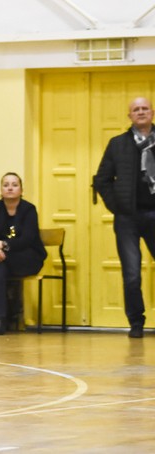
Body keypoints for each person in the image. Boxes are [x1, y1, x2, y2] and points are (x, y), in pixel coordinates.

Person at [95, 97, 155, 338]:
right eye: (135, 109)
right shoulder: (117, 144)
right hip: (127, 219)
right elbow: (102, 179)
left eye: (144, 108)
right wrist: (117, 206)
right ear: (129, 115)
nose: (140, 112)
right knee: (131, 275)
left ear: (152, 112)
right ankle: (136, 322)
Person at [0, 173, 47, 335]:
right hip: (1, 259)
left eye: (14, 184)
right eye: (6, 185)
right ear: (1, 189)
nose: (10, 188)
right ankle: (0, 320)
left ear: (21, 189)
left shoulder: (29, 209)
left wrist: (3, 245)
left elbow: (27, 239)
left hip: (28, 257)